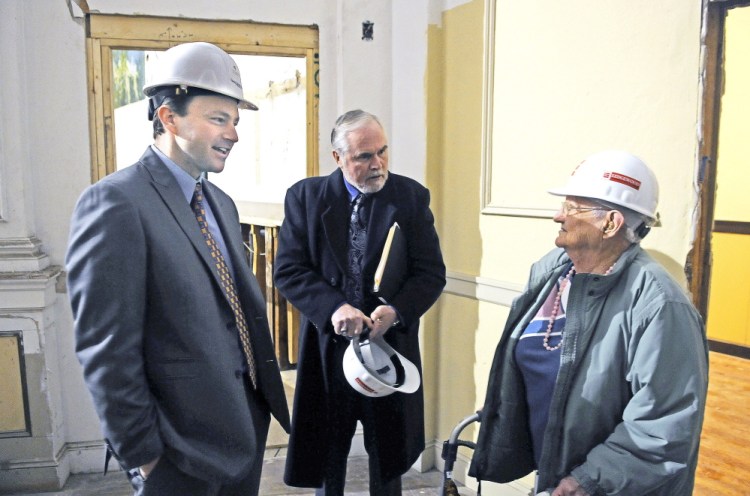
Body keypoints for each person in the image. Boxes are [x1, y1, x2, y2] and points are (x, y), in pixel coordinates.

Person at [66, 42, 290, 496]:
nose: (233, 135)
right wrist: (145, 457)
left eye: (235, 122)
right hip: (176, 451)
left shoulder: (221, 205)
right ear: (169, 117)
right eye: (218, 119)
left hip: (244, 430)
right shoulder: (116, 202)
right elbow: (107, 351)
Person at [469, 150, 709, 495]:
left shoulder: (660, 306)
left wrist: (587, 480)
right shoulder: (553, 269)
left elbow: (663, 428)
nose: (557, 216)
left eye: (572, 208)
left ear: (610, 223)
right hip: (554, 470)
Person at [274, 109, 446, 495]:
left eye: (382, 152)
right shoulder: (305, 197)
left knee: (388, 459)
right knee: (326, 458)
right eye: (363, 157)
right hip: (327, 353)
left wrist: (396, 311)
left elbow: (431, 274)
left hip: (388, 348)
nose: (377, 164)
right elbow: (289, 270)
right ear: (337, 158)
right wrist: (335, 308)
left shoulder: (410, 197)